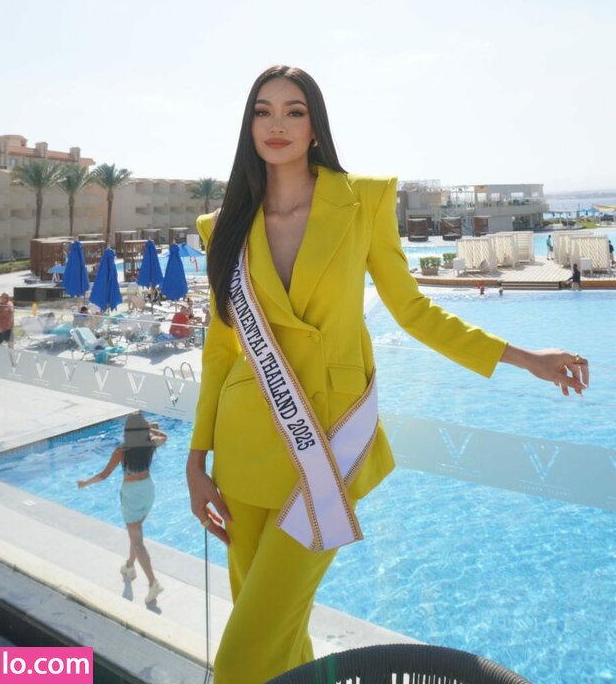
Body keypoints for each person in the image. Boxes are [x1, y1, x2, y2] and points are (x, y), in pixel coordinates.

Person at [185, 65, 590, 684]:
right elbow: (220, 351)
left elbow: (413, 311)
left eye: (294, 111)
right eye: (263, 111)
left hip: (328, 444)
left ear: (315, 126)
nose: (277, 124)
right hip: (242, 455)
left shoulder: (364, 201)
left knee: (241, 663)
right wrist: (196, 459)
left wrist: (524, 357)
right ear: (249, 126)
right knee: (279, 645)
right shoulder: (223, 227)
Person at [78, 411, 167, 605]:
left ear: (127, 430)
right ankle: (129, 566)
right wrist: (149, 430)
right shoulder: (150, 444)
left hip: (131, 495)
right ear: (143, 429)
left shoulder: (122, 451)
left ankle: (153, 583)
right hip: (148, 490)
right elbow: (164, 437)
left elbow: (104, 475)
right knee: (136, 533)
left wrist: (85, 483)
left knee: (137, 540)